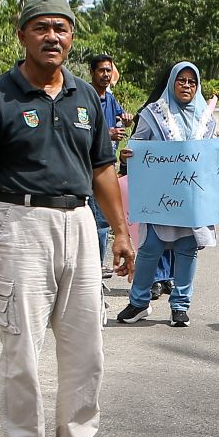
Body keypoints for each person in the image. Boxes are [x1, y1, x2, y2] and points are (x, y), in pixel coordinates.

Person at [0, 0, 133, 437]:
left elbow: (102, 170)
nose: (51, 37)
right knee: (22, 344)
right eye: (41, 28)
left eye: (60, 28)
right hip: (20, 223)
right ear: (22, 36)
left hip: (79, 222)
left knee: (87, 342)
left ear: (71, 37)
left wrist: (121, 233)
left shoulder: (86, 97)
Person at [115, 62, 219, 327]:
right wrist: (127, 156)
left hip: (191, 201)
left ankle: (180, 306)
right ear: (172, 82)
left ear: (197, 86)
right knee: (150, 249)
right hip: (160, 200)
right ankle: (139, 303)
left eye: (192, 82)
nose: (186, 86)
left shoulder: (206, 118)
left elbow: (212, 154)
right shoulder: (152, 114)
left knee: (187, 250)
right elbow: (138, 144)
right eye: (181, 80)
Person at [89, 53, 130, 276]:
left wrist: (126, 120)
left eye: (108, 71)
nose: (105, 75)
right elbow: (81, 130)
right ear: (92, 72)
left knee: (102, 219)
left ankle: (97, 264)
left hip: (107, 167)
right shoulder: (86, 97)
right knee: (94, 220)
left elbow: (121, 118)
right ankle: (93, 266)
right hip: (88, 168)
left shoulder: (110, 99)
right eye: (101, 70)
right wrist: (108, 133)